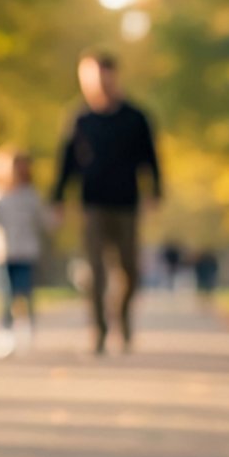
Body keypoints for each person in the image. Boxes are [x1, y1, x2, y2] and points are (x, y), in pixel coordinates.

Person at [51, 50, 162, 354]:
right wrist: (58, 197)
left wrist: (155, 191)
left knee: (130, 271)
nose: (98, 82)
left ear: (114, 76)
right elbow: (67, 162)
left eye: (103, 75)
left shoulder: (136, 118)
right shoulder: (79, 118)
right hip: (92, 205)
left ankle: (122, 320)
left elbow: (150, 158)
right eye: (90, 77)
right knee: (95, 271)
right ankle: (99, 331)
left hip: (127, 203)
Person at [0, 147, 51, 357]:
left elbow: (44, 218)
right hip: (0, 253)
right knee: (4, 294)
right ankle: (5, 330)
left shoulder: (31, 194)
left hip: (26, 252)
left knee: (24, 292)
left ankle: (26, 325)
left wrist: (56, 219)